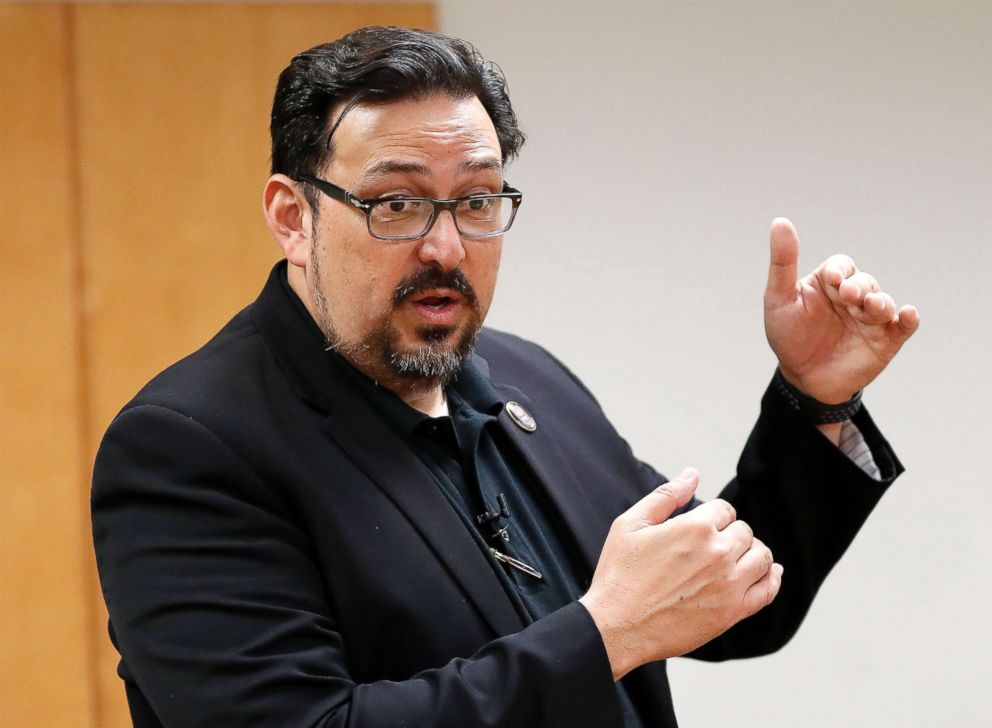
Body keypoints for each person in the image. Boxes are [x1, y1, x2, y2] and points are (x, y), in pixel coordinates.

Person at [91, 26, 919, 728]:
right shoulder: (187, 449)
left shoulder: (528, 379)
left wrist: (816, 399)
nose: (447, 248)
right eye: (397, 205)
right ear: (291, 216)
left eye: (479, 201)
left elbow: (722, 598)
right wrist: (606, 635)